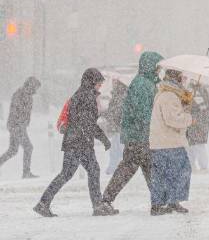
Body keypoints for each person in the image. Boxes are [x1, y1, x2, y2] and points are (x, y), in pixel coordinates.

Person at [34, 68, 116, 217]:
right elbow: (88, 123)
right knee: (92, 170)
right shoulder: (86, 96)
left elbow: (85, 122)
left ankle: (43, 203)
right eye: (98, 83)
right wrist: (103, 138)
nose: (100, 86)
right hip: (81, 141)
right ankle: (97, 206)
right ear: (91, 82)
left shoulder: (80, 95)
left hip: (75, 140)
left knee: (68, 173)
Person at [101, 51, 164, 212]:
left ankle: (158, 204)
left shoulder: (145, 82)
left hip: (138, 135)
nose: (159, 70)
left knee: (146, 168)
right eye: (157, 67)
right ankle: (106, 199)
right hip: (140, 135)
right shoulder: (143, 84)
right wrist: (154, 127)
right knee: (131, 168)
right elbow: (143, 112)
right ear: (151, 66)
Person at [149, 69, 193, 216]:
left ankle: (164, 203)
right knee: (181, 171)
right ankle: (167, 202)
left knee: (164, 175)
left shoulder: (167, 93)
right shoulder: (169, 96)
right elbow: (172, 119)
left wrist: (184, 105)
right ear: (176, 78)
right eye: (182, 76)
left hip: (161, 142)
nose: (184, 79)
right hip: (169, 142)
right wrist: (189, 118)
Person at [0, 76, 41, 179]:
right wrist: (20, 123)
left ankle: (26, 172)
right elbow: (16, 111)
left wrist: (24, 122)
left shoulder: (27, 95)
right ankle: (26, 173)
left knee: (13, 150)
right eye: (36, 87)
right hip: (17, 126)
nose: (36, 90)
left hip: (17, 126)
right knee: (28, 147)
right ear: (31, 85)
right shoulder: (20, 94)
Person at [104, 79, 127, 175]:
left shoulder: (120, 96)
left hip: (119, 128)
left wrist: (110, 117)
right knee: (115, 149)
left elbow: (116, 111)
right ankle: (114, 167)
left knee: (118, 149)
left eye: (115, 82)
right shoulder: (117, 95)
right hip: (117, 128)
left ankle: (117, 168)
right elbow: (112, 111)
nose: (112, 84)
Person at [187, 82, 209, 173]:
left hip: (196, 122)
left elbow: (202, 108)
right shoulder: (202, 90)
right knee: (195, 145)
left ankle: (200, 166)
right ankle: (196, 165)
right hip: (199, 122)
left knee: (196, 145)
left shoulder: (194, 91)